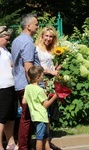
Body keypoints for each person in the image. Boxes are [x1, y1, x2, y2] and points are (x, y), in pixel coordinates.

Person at [11, 14, 40, 150]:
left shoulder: (16, 40)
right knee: (26, 118)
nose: (38, 27)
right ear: (28, 26)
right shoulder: (28, 42)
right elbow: (28, 67)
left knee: (25, 117)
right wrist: (33, 86)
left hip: (19, 83)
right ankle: (23, 147)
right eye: (36, 24)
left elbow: (13, 63)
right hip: (27, 85)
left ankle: (25, 145)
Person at [35, 27, 62, 150]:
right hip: (42, 80)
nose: (48, 39)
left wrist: (56, 68)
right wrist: (50, 71)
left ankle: (47, 140)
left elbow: (52, 65)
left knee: (49, 112)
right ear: (41, 36)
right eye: (46, 36)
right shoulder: (37, 49)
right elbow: (37, 67)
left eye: (51, 36)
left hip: (51, 80)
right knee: (43, 111)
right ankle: (43, 141)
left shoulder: (52, 49)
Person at [22, 66, 58, 150]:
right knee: (40, 137)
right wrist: (55, 96)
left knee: (45, 135)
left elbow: (24, 101)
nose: (43, 76)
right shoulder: (39, 90)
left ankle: (47, 148)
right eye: (42, 75)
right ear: (38, 77)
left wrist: (33, 100)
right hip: (41, 116)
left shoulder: (28, 87)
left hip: (34, 116)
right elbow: (45, 105)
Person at [0, 26, 18, 150]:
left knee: (11, 116)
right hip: (2, 87)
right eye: (6, 38)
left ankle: (11, 143)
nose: (8, 41)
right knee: (2, 117)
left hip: (11, 86)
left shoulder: (5, 50)